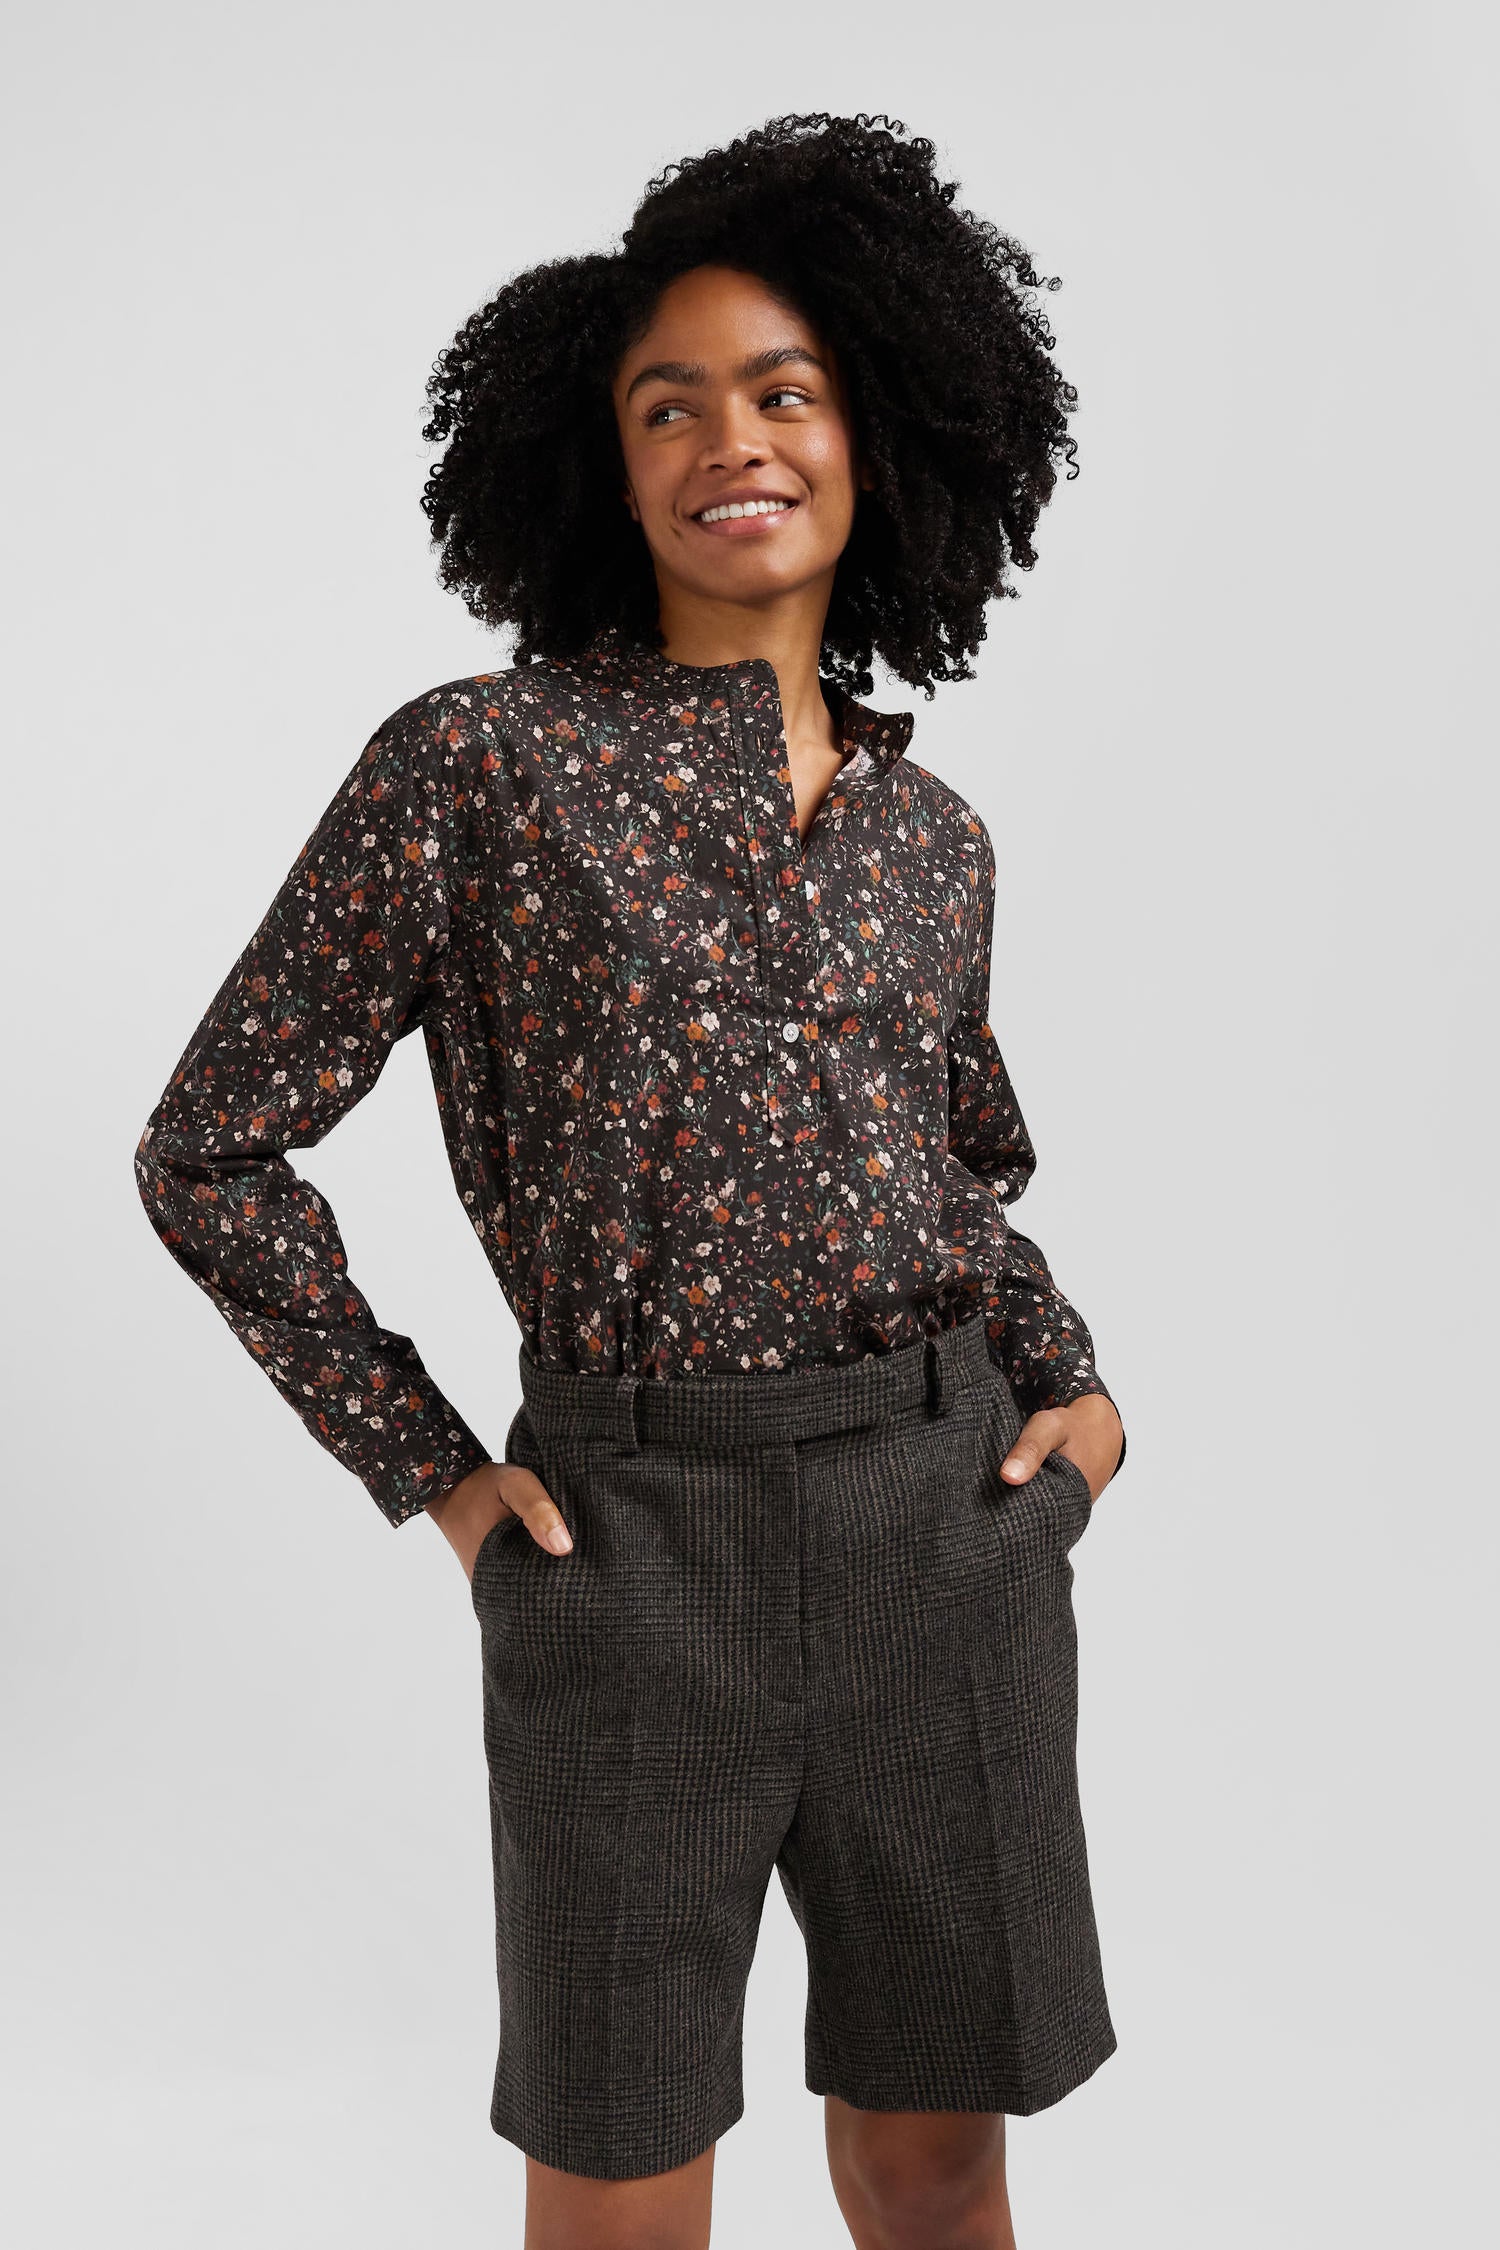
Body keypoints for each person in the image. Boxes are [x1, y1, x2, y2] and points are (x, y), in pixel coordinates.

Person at [135, 111, 1127, 2250]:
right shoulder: (476, 769)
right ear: (604, 465)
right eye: (668, 406)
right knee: (614, 2187)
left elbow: (965, 1168)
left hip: (944, 1542)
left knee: (941, 2168)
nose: (730, 442)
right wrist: (434, 1470)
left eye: (785, 391)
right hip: (630, 1555)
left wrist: (1077, 1395)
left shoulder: (932, 836)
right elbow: (211, 1147)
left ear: (878, 436)